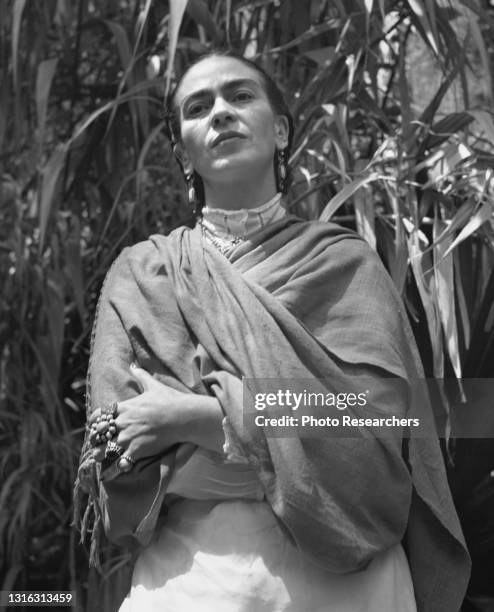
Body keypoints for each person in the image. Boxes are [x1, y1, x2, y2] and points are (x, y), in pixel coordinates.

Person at [75, 51, 470, 612]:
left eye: (240, 96)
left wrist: (199, 419)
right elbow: (120, 459)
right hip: (193, 585)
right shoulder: (143, 275)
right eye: (198, 106)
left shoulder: (344, 266)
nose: (220, 113)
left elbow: (376, 440)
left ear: (281, 129)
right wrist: (303, 445)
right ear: (181, 150)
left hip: (351, 588)